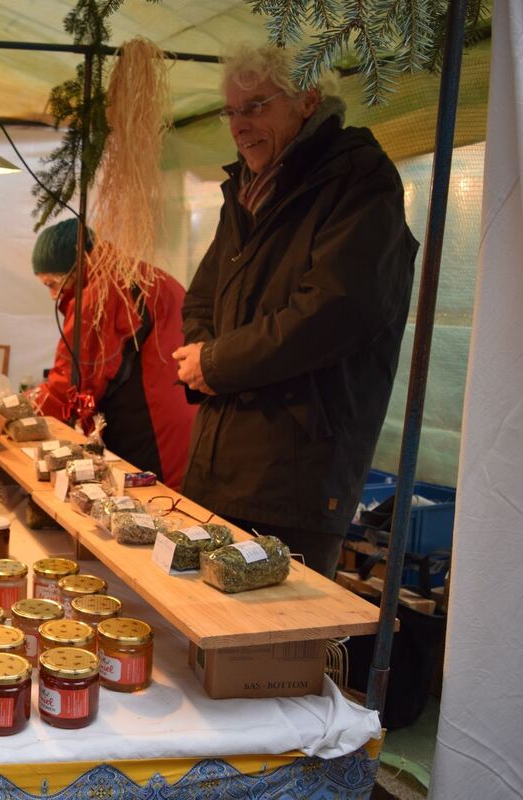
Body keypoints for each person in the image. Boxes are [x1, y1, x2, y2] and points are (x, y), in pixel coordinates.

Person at [173, 45, 417, 578]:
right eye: (231, 112)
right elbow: (200, 299)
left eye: (255, 107)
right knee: (195, 635)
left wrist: (215, 364)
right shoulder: (244, 191)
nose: (239, 126)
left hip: (296, 478)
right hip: (219, 462)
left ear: (308, 99)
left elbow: (332, 311)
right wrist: (202, 354)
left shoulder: (358, 181)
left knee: (274, 649)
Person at [31, 218, 195, 490]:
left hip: (149, 423)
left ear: (76, 267)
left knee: (148, 509)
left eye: (52, 283)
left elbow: (74, 379)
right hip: (184, 411)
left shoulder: (101, 292)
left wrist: (22, 408)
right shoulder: (143, 274)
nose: (52, 296)